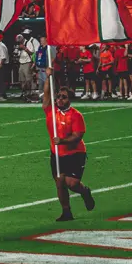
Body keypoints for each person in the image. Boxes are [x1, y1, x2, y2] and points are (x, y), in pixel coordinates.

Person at [44, 87, 95, 221]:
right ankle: (66, 211)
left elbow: (77, 136)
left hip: (74, 153)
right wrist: (49, 76)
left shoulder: (76, 115)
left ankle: (84, 192)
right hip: (57, 153)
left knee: (72, 184)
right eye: (58, 96)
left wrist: (62, 141)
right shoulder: (51, 111)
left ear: (70, 99)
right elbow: (47, 94)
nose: (60, 99)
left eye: (64, 97)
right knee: (60, 182)